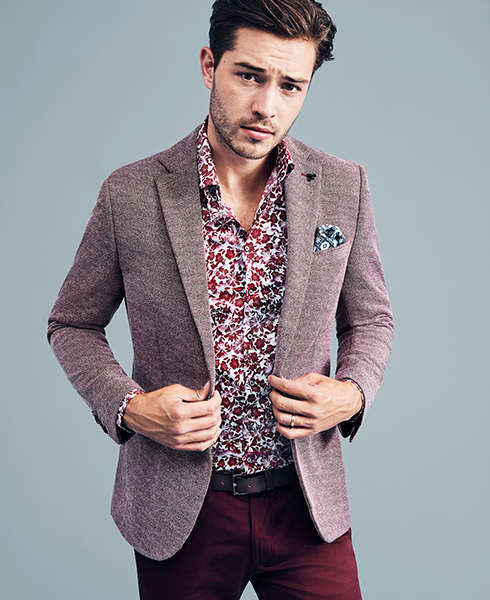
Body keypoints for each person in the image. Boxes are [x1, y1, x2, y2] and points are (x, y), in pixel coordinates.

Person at [48, 0, 393, 598]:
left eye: (291, 86)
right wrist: (130, 407)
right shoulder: (131, 193)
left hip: (306, 503)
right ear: (210, 65)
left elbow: (371, 319)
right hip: (183, 511)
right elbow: (72, 323)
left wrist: (353, 392)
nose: (267, 106)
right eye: (250, 76)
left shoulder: (343, 186)